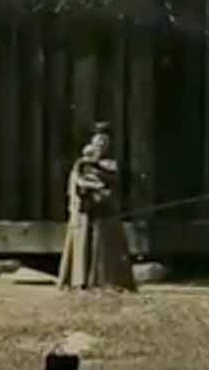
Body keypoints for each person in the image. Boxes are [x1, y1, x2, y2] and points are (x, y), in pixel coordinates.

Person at [57, 121, 137, 292]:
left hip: (106, 210)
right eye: (98, 141)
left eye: (104, 142)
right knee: (82, 239)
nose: (100, 145)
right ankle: (79, 280)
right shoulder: (81, 164)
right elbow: (76, 182)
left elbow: (116, 182)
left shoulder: (112, 164)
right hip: (84, 209)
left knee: (106, 243)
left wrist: (103, 186)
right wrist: (84, 187)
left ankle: (108, 280)